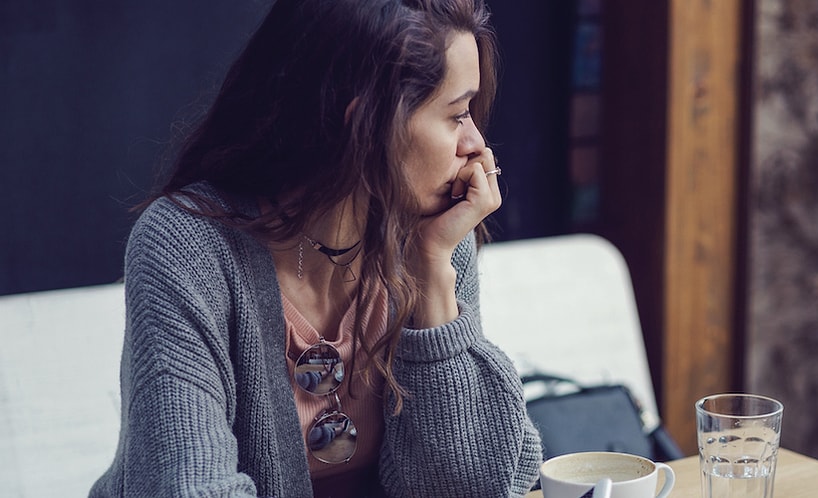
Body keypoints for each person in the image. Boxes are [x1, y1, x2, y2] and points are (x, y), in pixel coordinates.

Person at [88, 0, 543, 496]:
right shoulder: (187, 247)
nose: (477, 144)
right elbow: (191, 486)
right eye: (457, 115)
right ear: (364, 127)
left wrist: (433, 273)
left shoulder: (432, 234)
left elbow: (473, 486)